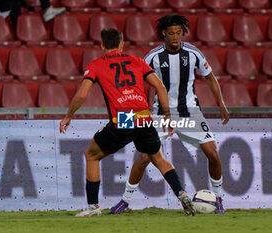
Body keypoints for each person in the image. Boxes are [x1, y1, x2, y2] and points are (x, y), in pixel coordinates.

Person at [60, 28, 196, 217]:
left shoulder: (96, 65)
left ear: (102, 45)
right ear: (122, 44)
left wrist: (68, 116)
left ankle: (93, 207)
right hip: (144, 116)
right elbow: (160, 86)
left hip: (125, 117)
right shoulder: (137, 61)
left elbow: (82, 94)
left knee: (91, 155)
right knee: (158, 158)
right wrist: (167, 115)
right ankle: (182, 194)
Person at [111, 15, 229, 214]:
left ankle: (218, 198)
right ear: (164, 33)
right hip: (159, 115)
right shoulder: (153, 57)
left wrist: (221, 103)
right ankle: (125, 200)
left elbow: (209, 77)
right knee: (144, 158)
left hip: (190, 113)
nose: (175, 37)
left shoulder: (193, 53)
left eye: (179, 33)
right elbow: (140, 85)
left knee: (213, 154)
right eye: (171, 33)